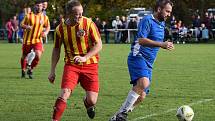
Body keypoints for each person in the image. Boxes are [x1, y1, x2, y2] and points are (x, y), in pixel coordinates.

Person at [109, 0, 174, 121]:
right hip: (137, 56)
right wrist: (161, 44)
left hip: (148, 63)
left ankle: (117, 117)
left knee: (142, 96)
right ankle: (121, 115)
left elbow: (156, 42)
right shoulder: (147, 20)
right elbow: (141, 40)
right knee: (144, 83)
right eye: (167, 11)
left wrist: (166, 44)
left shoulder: (161, 23)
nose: (169, 14)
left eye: (170, 12)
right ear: (159, 9)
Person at [48, 0, 102, 121]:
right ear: (69, 14)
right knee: (64, 93)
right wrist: (52, 70)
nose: (80, 16)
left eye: (81, 13)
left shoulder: (88, 24)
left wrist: (85, 57)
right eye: (77, 14)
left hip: (90, 65)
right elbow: (56, 49)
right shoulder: (60, 29)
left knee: (92, 100)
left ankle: (87, 103)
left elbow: (98, 45)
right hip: (71, 65)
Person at [20, 0, 50, 79]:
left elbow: (48, 26)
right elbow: (21, 24)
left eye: (40, 6)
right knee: (24, 56)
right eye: (37, 5)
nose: (39, 7)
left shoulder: (44, 17)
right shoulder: (28, 16)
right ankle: (23, 70)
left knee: (38, 56)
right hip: (27, 40)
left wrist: (46, 32)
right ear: (35, 6)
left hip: (37, 40)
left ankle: (30, 69)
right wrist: (27, 27)